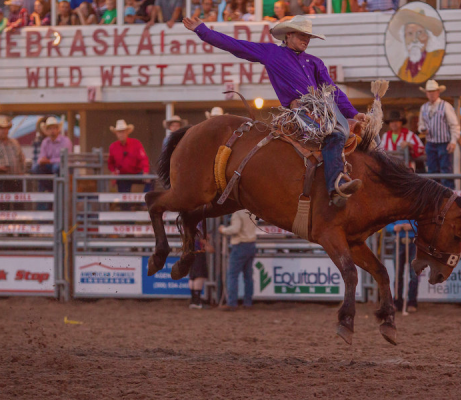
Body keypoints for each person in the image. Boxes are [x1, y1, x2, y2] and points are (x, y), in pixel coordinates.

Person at [186, 15, 366, 206]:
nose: (306, 40)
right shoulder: (271, 53)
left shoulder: (315, 62)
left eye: (308, 37)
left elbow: (332, 90)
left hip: (324, 111)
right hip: (299, 113)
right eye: (301, 35)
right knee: (335, 136)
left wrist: (353, 113)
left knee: (365, 137)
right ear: (288, 36)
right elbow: (234, 45)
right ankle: (335, 187)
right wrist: (202, 30)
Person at [417, 80, 461, 188]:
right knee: (432, 170)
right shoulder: (424, 107)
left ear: (438, 92)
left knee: (446, 169)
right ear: (426, 93)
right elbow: (420, 125)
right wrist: (422, 129)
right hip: (431, 143)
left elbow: (454, 124)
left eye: (433, 91)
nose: (431, 94)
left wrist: (453, 141)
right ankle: (434, 193)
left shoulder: (445, 106)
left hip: (444, 143)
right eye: (429, 92)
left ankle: (448, 194)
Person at [389, 8, 446, 84]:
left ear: (428, 36)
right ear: (404, 38)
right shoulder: (402, 70)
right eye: (410, 34)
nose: (414, 39)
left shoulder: (437, 58)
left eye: (419, 32)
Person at [218, 209, 258, 311]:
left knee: (232, 275)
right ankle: (248, 302)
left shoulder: (237, 213)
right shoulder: (252, 211)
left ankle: (232, 303)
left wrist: (223, 230)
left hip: (240, 244)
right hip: (251, 244)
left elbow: (235, 229)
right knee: (248, 275)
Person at [34, 117, 72, 206]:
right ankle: (50, 188)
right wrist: (44, 161)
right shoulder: (45, 142)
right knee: (36, 168)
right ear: (46, 130)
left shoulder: (65, 141)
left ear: (58, 129)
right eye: (50, 128)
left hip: (61, 168)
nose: (52, 131)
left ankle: (53, 188)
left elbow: (65, 159)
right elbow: (41, 158)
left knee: (57, 167)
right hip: (50, 168)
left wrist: (49, 161)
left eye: (54, 128)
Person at [107, 119, 152, 193]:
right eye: (119, 132)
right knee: (124, 202)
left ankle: (145, 202)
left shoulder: (136, 143)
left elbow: (144, 159)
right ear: (116, 134)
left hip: (136, 174)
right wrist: (113, 171)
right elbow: (110, 163)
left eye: (123, 131)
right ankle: (128, 204)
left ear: (127, 132)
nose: (121, 134)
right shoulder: (113, 147)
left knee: (151, 179)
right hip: (122, 176)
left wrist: (146, 172)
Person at [0, 117, 27, 210]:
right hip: (1, 179)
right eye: (1, 128)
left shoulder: (14, 143)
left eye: (6, 128)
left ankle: (18, 223)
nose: (4, 131)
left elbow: (21, 158)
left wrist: (22, 171)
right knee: (4, 205)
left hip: (16, 178)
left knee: (18, 204)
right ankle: (4, 223)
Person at [387, 219, 419, 313]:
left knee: (414, 274)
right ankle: (397, 301)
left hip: (413, 243)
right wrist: (393, 228)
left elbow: (422, 223)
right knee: (398, 273)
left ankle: (412, 302)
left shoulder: (416, 207)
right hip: (399, 241)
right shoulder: (396, 208)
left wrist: (412, 226)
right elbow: (387, 224)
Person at [189, 220, 215, 309]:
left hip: (189, 250)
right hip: (198, 250)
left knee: (192, 276)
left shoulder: (186, 217)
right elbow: (199, 235)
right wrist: (207, 244)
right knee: (199, 275)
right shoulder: (197, 220)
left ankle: (193, 300)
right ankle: (196, 301)